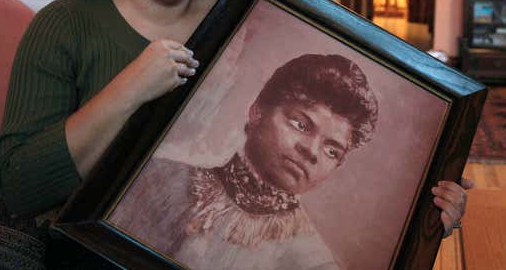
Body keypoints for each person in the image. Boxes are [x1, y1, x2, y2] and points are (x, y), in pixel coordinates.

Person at [0, 0, 470, 266]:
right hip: (98, 250)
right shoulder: (64, 24)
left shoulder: (245, 22)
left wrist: (422, 217)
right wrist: (131, 87)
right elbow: (20, 187)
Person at [110, 53, 379, 269]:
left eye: (332, 151)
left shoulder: (312, 259)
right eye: (300, 124)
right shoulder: (156, 178)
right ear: (258, 111)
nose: (311, 151)